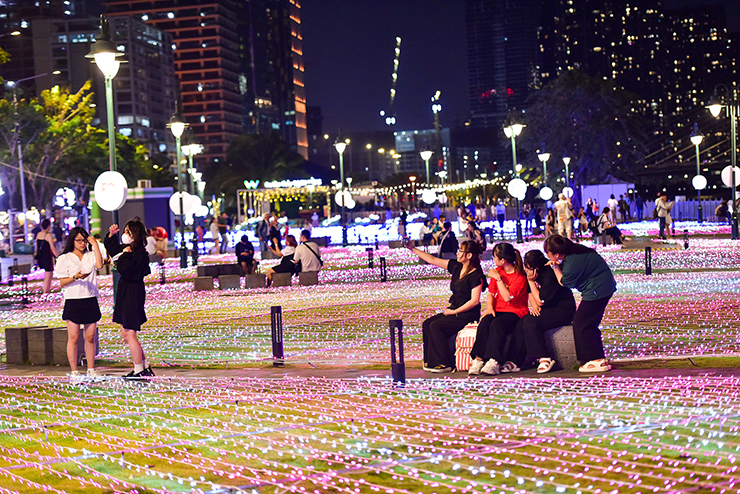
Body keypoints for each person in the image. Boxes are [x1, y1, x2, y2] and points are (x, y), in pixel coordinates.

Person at [407, 239, 486, 373]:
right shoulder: (457, 267)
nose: (457, 253)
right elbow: (432, 260)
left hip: (466, 313)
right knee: (427, 323)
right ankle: (430, 361)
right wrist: (412, 249)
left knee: (436, 326)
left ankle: (443, 363)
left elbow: (474, 301)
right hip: (454, 309)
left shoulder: (476, 275)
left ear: (469, 255)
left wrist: (454, 312)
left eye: (461, 251)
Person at [543, 235, 616, 372]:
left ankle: (595, 359)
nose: (547, 256)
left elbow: (564, 282)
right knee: (589, 323)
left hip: (597, 290)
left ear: (557, 254)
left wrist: (555, 268)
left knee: (582, 322)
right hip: (604, 287)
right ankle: (598, 359)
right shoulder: (576, 251)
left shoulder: (572, 264)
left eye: (548, 253)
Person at [104, 220, 154, 379]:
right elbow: (111, 248)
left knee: (130, 333)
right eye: (124, 231)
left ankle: (139, 369)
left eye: (128, 232)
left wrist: (125, 254)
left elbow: (126, 270)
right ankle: (144, 366)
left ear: (136, 235)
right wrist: (111, 235)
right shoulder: (126, 250)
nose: (125, 235)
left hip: (133, 293)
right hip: (125, 293)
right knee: (126, 334)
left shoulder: (140, 255)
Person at [468, 243, 528, 376]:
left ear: (503, 260)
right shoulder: (498, 271)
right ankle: (478, 359)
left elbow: (507, 297)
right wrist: (489, 308)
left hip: (515, 312)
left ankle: (494, 360)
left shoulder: (519, 276)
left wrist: (499, 279)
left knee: (497, 325)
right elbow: (491, 293)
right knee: (485, 323)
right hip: (498, 309)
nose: (493, 259)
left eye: (495, 257)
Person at [55, 227, 104, 380]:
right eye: (79, 241)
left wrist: (94, 244)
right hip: (73, 300)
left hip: (90, 298)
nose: (82, 243)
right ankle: (74, 371)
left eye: (84, 240)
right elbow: (62, 282)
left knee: (90, 337)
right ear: (73, 241)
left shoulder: (90, 256)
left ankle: (91, 369)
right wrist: (75, 277)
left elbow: (100, 265)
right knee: (74, 337)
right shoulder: (65, 258)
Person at [517, 249, 576, 373]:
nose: (526, 270)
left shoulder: (549, 275)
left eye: (528, 267)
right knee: (523, 322)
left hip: (562, 310)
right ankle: (515, 360)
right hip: (547, 308)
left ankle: (544, 358)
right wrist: (535, 308)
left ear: (535, 268)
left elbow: (541, 300)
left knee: (531, 322)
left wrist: (531, 281)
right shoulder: (533, 275)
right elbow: (530, 294)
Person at [35, 218, 57, 294]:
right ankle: (46, 291)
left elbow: (37, 247)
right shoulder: (48, 235)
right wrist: (57, 256)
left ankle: (46, 290)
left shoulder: (38, 234)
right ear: (49, 226)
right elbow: (52, 247)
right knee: (49, 274)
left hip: (41, 256)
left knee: (47, 274)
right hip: (47, 256)